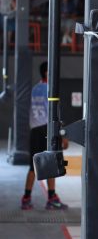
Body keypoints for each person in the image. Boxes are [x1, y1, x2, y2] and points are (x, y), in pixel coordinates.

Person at [20, 62, 68, 210]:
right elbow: (54, 116)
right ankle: (51, 198)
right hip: (47, 130)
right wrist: (62, 135)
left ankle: (26, 198)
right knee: (52, 164)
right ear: (47, 73)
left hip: (35, 130)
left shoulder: (35, 89)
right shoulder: (50, 90)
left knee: (33, 166)